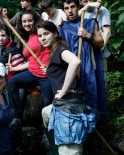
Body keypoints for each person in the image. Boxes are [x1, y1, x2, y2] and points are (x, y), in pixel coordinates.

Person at [37, 20, 82, 154]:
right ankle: (54, 146)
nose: (43, 38)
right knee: (46, 112)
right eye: (40, 36)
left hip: (70, 106)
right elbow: (62, 69)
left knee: (68, 150)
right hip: (62, 104)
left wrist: (64, 90)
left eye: (46, 34)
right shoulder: (54, 51)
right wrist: (50, 71)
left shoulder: (61, 50)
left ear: (55, 34)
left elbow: (75, 61)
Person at [59, 0, 106, 112]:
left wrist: (88, 35)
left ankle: (95, 120)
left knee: (92, 92)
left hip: (89, 66)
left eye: (73, 7)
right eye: (66, 8)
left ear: (78, 6)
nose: (70, 11)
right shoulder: (63, 27)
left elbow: (100, 43)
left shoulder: (90, 22)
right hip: (72, 68)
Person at [7, 9, 52, 127]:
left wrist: (51, 67)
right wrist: (14, 69)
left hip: (45, 76)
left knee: (48, 104)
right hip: (32, 73)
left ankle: (47, 131)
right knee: (12, 82)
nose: (27, 24)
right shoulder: (29, 37)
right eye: (24, 21)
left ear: (35, 20)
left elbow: (55, 49)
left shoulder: (41, 34)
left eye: (30, 21)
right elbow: (32, 61)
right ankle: (16, 116)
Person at [78, 0, 111, 83]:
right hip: (86, 51)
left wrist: (101, 47)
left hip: (99, 49)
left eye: (91, 0)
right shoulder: (82, 12)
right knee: (89, 79)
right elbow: (74, 16)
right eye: (85, 1)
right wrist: (86, 6)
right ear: (80, 2)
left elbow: (107, 32)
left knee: (101, 78)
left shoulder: (102, 10)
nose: (89, 3)